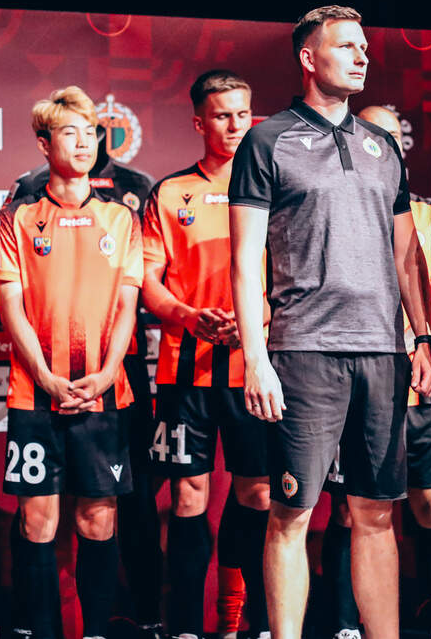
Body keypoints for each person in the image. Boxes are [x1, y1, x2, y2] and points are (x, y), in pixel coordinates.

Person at [228, 5, 431, 639]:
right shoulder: (267, 140)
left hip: (382, 351)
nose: (362, 56)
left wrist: (424, 338)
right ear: (308, 57)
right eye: (346, 46)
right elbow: (244, 260)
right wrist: (257, 358)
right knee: (292, 512)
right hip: (304, 351)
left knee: (375, 513)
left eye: (364, 47)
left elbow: (408, 252)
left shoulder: (382, 146)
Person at [0, 86, 142, 639]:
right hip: (35, 393)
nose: (83, 143)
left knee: (98, 518)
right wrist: (46, 376)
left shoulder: (121, 218)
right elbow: (11, 308)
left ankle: (95, 630)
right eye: (69, 133)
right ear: (43, 143)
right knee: (37, 521)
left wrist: (106, 373)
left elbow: (127, 306)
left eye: (90, 133)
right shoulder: (16, 218)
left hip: (106, 392)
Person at [142, 70, 270, 639]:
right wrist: (190, 316)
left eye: (243, 113)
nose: (236, 125)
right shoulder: (171, 193)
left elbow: (295, 279)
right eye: (222, 115)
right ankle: (186, 627)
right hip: (183, 371)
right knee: (188, 496)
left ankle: (254, 623)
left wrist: (257, 321)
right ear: (199, 122)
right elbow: (148, 282)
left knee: (258, 493)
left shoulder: (276, 188)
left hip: (255, 370)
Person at [358, 105, 431, 639]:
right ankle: (347, 626)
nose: (384, 144)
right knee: (357, 511)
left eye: (392, 136)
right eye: (372, 134)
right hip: (358, 384)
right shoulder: (340, 207)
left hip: (426, 386)